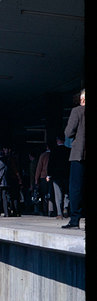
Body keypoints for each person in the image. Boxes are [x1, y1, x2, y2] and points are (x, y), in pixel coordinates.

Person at [63, 88, 85, 229]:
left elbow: (68, 132)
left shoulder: (77, 111)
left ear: (82, 99)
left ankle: (75, 220)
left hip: (79, 154)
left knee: (75, 188)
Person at [47, 135, 70, 219]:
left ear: (57, 141)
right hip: (66, 175)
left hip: (56, 176)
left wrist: (49, 174)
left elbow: (50, 164)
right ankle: (66, 207)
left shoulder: (54, 151)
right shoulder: (68, 151)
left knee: (58, 195)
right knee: (66, 193)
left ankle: (59, 213)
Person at [34, 145, 52, 216]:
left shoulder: (43, 155)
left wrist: (36, 179)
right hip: (51, 176)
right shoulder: (52, 155)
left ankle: (42, 210)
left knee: (42, 194)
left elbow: (39, 168)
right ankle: (50, 210)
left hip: (43, 177)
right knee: (51, 194)